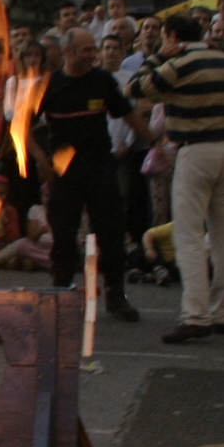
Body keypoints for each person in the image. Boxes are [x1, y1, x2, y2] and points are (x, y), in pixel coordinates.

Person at [128, 15, 224, 343]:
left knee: (188, 235)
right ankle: (222, 312)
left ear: (171, 35)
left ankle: (196, 316)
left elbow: (134, 87)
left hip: (195, 151)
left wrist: (158, 56)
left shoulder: (178, 64)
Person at [37, 28, 152, 321]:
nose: (93, 55)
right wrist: (41, 160)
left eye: (94, 49)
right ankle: (60, 293)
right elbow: (20, 127)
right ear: (69, 52)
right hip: (64, 167)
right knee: (63, 234)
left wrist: (156, 141)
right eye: (87, 50)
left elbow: (128, 114)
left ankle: (116, 295)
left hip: (100, 163)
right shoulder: (48, 84)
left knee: (112, 233)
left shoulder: (103, 81)